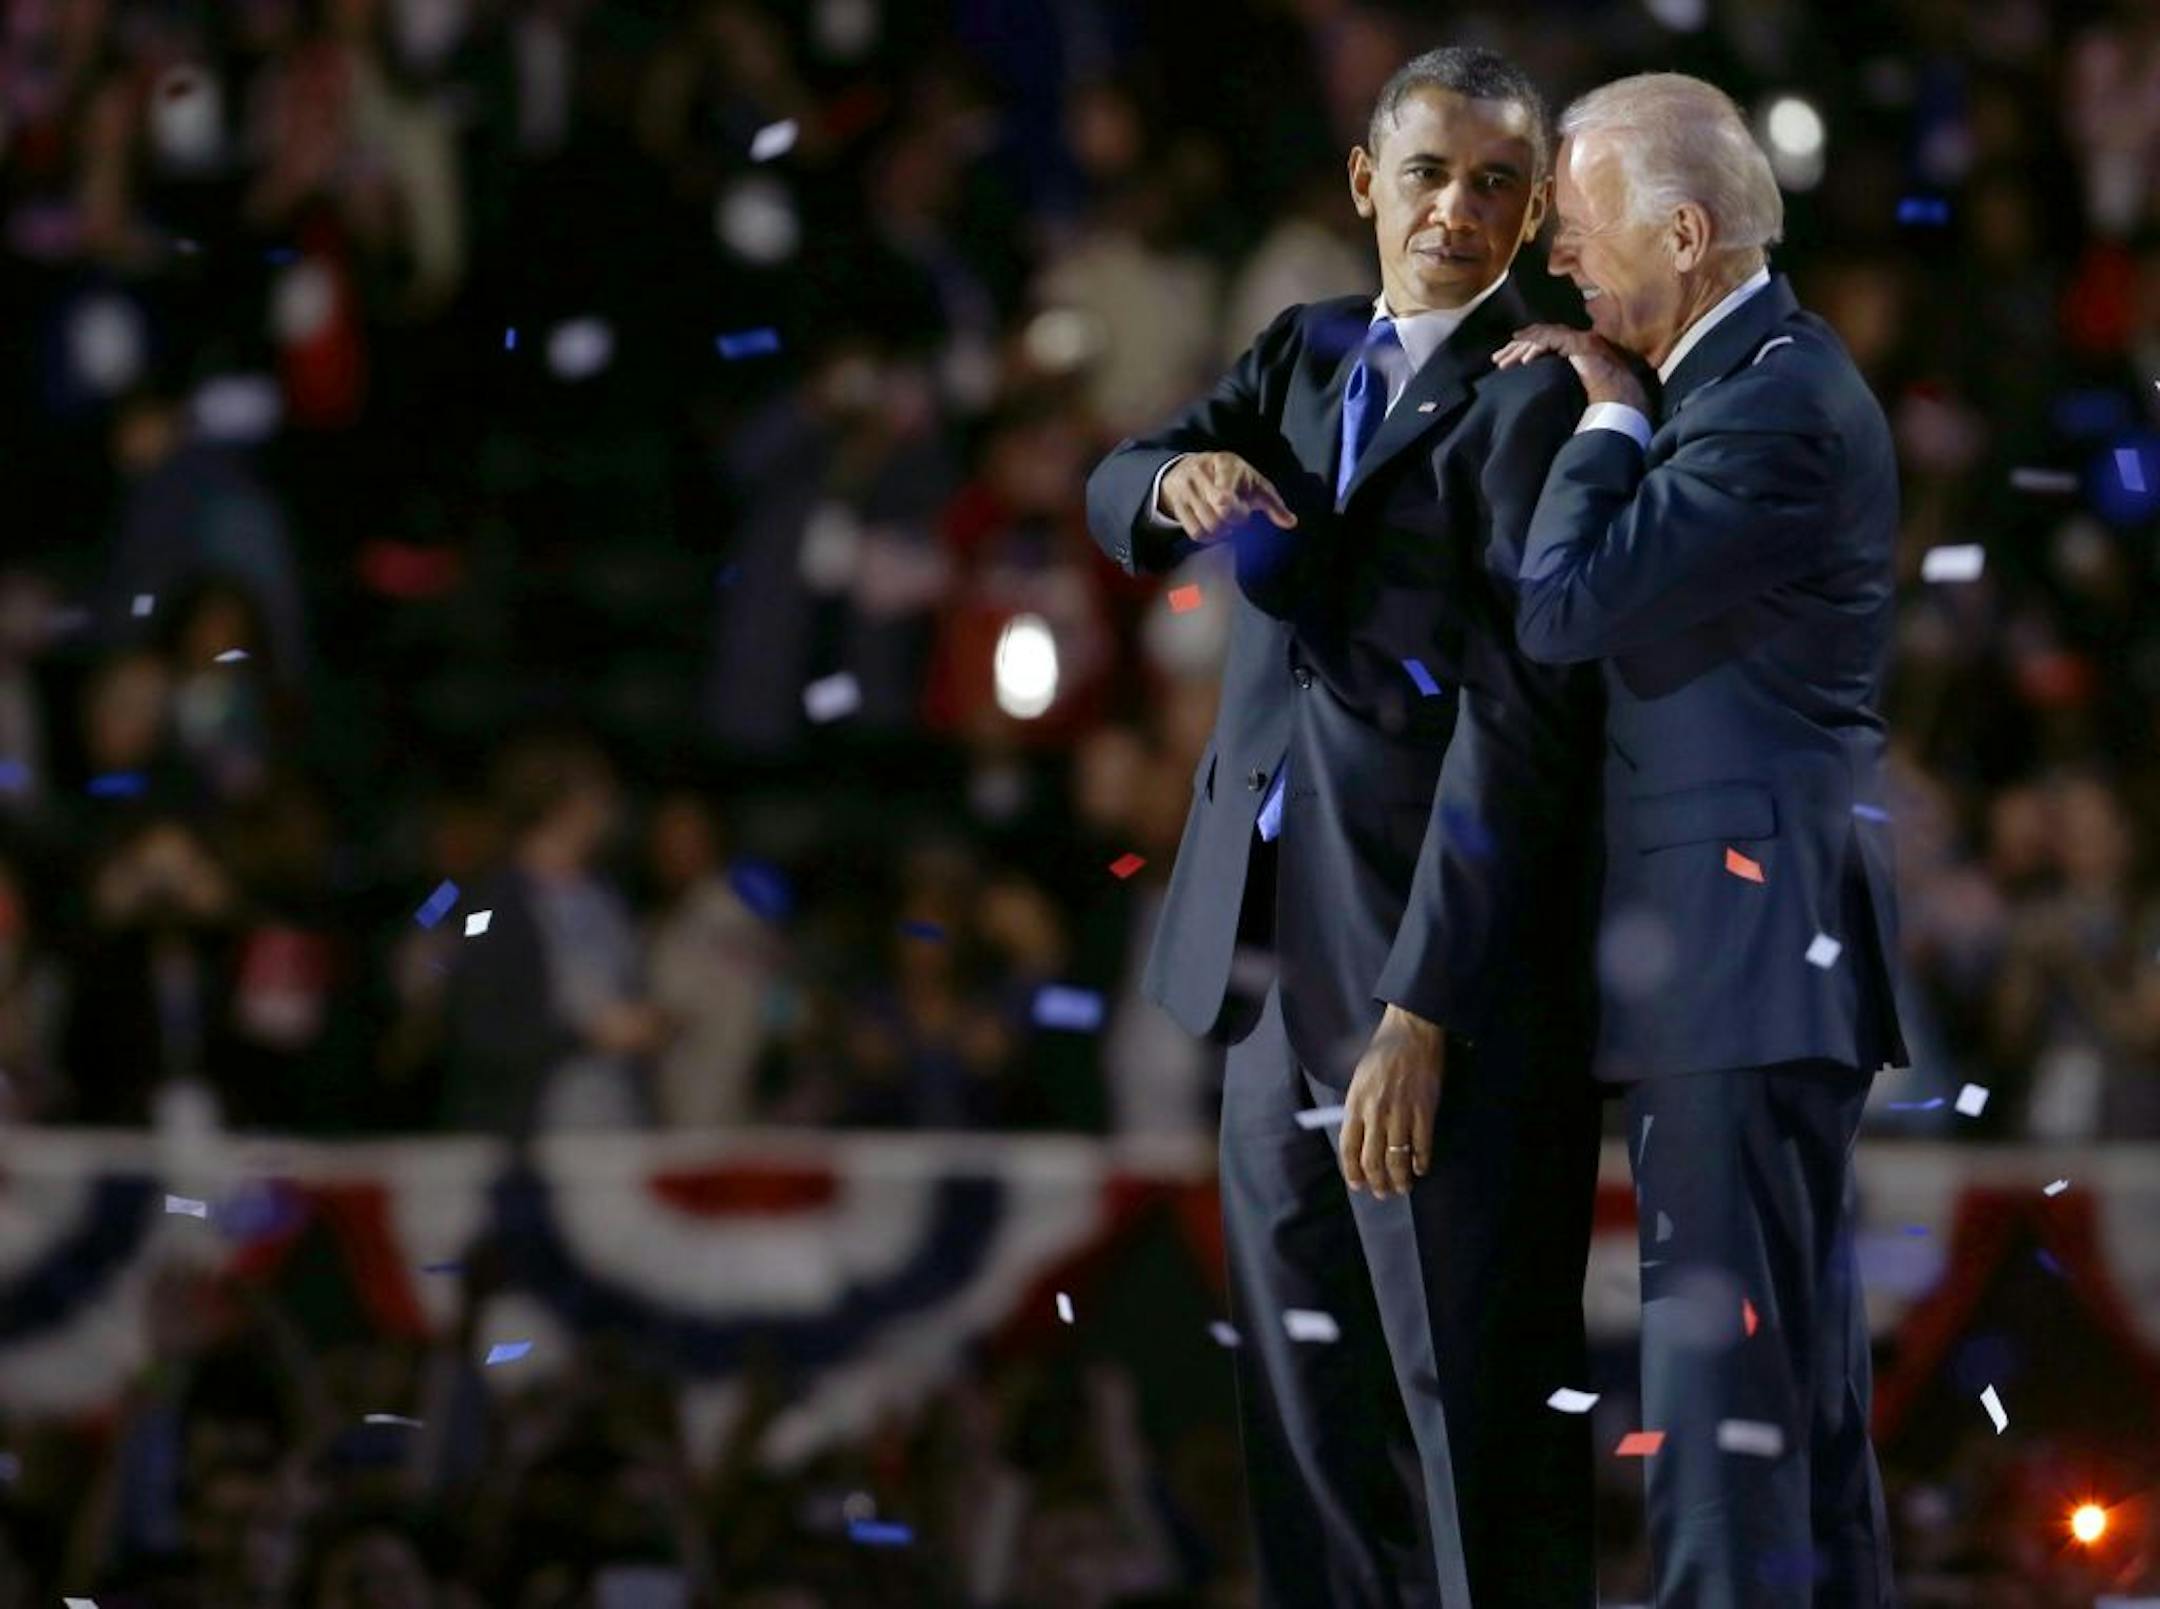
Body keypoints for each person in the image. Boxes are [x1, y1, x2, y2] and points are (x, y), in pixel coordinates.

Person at [1085, 46, 1602, 1609]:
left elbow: (1521, 724)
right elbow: (1117, 472)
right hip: (1260, 966)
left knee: (1469, 1409)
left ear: (1532, 215)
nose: (1461, 208)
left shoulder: (1546, 389)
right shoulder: (1303, 348)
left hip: (1426, 986)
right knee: (1302, 1405)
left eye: (1500, 183)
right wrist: (1177, 476)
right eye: (1433, 171)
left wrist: (1424, 1004)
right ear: (1368, 181)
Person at [1494, 71, 1905, 1608]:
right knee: (1789, 1399)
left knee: (1728, 1414)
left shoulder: (1776, 404)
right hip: (1754, 968)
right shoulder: (1759, 380)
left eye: (1584, 229)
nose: (1561, 270)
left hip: (1744, 962)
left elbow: (1562, 607)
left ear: (1682, 231)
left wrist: (1604, 412)